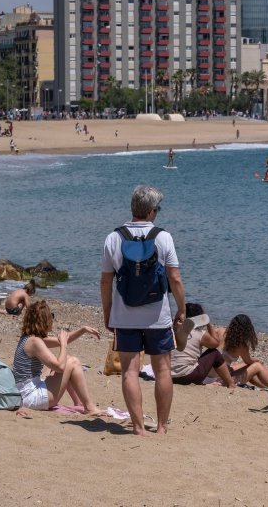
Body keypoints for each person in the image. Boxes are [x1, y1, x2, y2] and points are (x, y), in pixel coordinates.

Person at [100, 185, 186, 436]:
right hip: (157, 316)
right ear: (151, 211)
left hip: (124, 315)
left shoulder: (113, 238)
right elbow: (175, 278)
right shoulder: (163, 237)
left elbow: (106, 282)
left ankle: (138, 427)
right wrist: (181, 308)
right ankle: (161, 427)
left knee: (129, 370)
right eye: (157, 209)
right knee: (162, 370)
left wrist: (108, 313)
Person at [12, 300, 102, 414]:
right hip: (31, 397)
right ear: (44, 320)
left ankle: (79, 403)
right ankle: (89, 407)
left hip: (25, 392)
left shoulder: (29, 338)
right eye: (51, 316)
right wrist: (63, 344)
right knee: (72, 362)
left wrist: (82, 330)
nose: (52, 319)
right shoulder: (35, 342)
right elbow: (60, 366)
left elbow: (64, 340)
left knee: (66, 359)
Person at [170, 303, 235, 387]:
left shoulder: (172, 331)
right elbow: (216, 343)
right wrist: (208, 322)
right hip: (188, 377)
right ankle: (231, 384)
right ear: (199, 319)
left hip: (170, 377)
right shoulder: (199, 333)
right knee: (214, 353)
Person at [221, 313, 268, 389]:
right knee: (257, 366)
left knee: (240, 365)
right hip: (223, 380)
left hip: (208, 375)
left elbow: (246, 362)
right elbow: (248, 361)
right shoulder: (241, 345)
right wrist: (257, 360)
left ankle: (264, 387)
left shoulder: (220, 332)